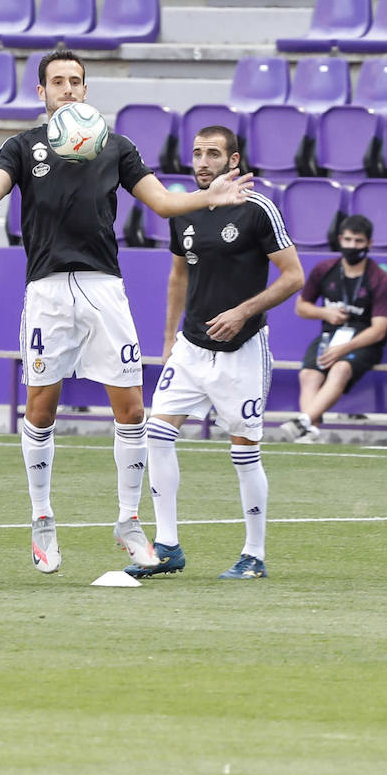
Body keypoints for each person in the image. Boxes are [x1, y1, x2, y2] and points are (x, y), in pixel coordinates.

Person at [0, 50, 251, 575]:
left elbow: (162, 203)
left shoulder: (115, 145)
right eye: (58, 81)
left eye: (76, 81)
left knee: (131, 410)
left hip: (104, 288)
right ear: (41, 92)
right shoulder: (22, 147)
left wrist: (208, 197)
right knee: (41, 409)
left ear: (85, 90)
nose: (68, 88)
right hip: (47, 291)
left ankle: (129, 522)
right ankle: (42, 518)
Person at [123, 125, 303, 581]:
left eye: (213, 154)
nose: (203, 162)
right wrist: (168, 340)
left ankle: (254, 554)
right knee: (156, 434)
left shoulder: (257, 209)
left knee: (243, 451)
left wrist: (242, 312)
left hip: (242, 349)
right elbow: (178, 277)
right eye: (198, 153)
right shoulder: (184, 210)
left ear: (234, 161)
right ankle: (166, 546)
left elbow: (293, 276)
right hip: (189, 347)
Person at [281, 215, 387, 444]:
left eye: (359, 241)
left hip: (364, 342)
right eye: (349, 240)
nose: (352, 246)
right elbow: (301, 307)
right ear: (340, 239)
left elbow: (379, 329)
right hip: (329, 337)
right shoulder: (325, 269)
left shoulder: (379, 279)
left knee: (340, 369)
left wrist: (345, 348)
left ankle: (304, 422)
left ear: (369, 244)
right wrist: (325, 313)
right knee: (308, 374)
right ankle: (310, 431)